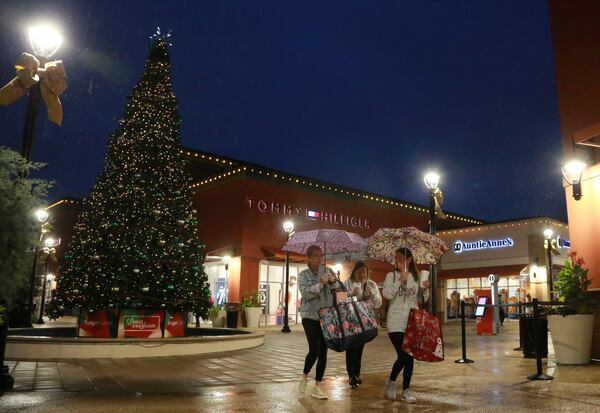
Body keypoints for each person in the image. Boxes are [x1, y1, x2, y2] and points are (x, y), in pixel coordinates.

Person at [382, 248, 430, 404]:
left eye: (401, 257)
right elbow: (387, 294)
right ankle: (392, 381)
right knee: (404, 355)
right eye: (396, 257)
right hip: (395, 321)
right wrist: (399, 281)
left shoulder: (416, 276)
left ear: (409, 260)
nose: (397, 260)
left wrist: (425, 289)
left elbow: (422, 299)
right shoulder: (391, 275)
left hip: (412, 321)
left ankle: (405, 391)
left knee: (410, 358)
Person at [297, 245, 340, 400]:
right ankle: (304, 376)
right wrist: (320, 284)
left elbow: (339, 291)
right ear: (308, 258)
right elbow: (305, 294)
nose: (319, 258)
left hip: (326, 316)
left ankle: (317, 386)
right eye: (315, 255)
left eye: (320, 255)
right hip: (309, 316)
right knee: (314, 349)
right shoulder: (303, 275)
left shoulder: (328, 270)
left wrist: (333, 282)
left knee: (323, 351)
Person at [343, 261, 382, 388]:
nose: (361, 274)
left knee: (359, 347)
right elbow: (339, 299)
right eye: (359, 272)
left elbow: (378, 303)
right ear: (354, 272)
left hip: (365, 322)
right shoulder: (347, 283)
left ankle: (356, 375)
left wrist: (372, 294)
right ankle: (352, 376)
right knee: (351, 347)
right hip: (351, 320)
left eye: (364, 272)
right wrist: (351, 294)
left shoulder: (371, 284)